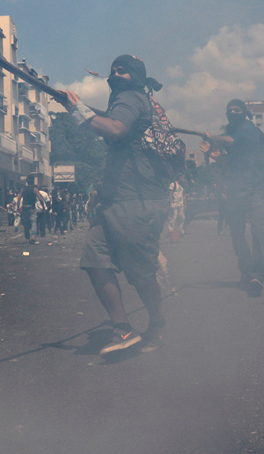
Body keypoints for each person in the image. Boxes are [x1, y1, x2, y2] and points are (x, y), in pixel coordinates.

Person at [58, 54, 172, 355]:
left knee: (140, 274)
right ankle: (122, 329)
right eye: (113, 70)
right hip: (116, 201)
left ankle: (157, 323)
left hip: (138, 202)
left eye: (123, 70)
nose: (115, 74)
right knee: (95, 259)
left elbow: (116, 130)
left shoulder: (131, 98)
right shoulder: (130, 102)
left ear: (136, 76)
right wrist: (78, 109)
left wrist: (77, 109)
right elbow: (113, 125)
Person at [202, 99, 264, 295]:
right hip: (236, 190)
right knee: (236, 234)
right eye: (229, 110)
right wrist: (214, 155)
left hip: (256, 189)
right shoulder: (230, 133)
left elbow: (230, 141)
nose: (233, 112)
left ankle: (257, 274)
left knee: (258, 231)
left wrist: (210, 137)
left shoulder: (248, 128)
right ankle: (247, 270)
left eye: (237, 109)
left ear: (244, 112)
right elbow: (228, 162)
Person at [19, 180, 37, 244]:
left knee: (25, 223)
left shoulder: (23, 189)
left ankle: (27, 238)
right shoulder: (35, 189)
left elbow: (19, 198)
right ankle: (33, 236)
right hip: (32, 207)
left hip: (24, 208)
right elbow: (40, 199)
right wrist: (43, 207)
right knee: (33, 222)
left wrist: (18, 208)